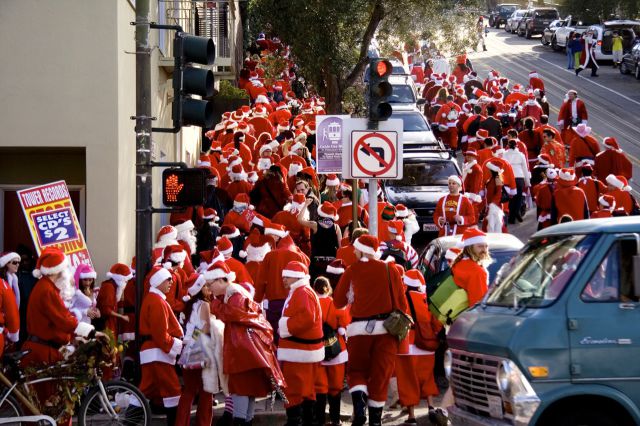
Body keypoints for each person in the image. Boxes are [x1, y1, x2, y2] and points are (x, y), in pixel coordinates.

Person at [334, 235, 408, 426]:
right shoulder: (389, 269)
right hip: (386, 330)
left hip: (359, 330)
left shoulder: (352, 270)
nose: (353, 252)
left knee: (356, 370)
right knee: (380, 375)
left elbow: (338, 301)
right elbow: (402, 304)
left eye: (355, 249)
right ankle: (375, 421)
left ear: (360, 250)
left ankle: (359, 406)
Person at [208, 261, 286, 426]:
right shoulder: (235, 293)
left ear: (221, 280)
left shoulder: (234, 295)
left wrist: (215, 305)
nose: (210, 288)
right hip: (247, 353)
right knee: (247, 393)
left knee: (241, 391)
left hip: (242, 354)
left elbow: (233, 314)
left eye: (211, 283)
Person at [22, 248, 95, 404]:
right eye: (65, 269)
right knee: (50, 401)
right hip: (43, 352)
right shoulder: (47, 290)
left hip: (42, 348)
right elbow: (63, 319)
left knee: (44, 402)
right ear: (58, 271)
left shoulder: (46, 287)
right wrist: (90, 332)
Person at [277, 261, 324, 426]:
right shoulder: (301, 291)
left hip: (299, 352)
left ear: (296, 277)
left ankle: (294, 421)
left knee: (293, 390)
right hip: (303, 351)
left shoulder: (302, 292)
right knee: (306, 390)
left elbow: (306, 318)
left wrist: (285, 327)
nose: (283, 280)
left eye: (287, 277)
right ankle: (305, 421)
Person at [138, 266, 184, 426]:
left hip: (153, 350)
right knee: (172, 390)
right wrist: (175, 346)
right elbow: (160, 334)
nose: (171, 281)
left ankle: (127, 421)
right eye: (167, 279)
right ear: (157, 282)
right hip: (158, 351)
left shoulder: (154, 299)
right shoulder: (157, 301)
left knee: (146, 389)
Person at [395, 270, 442, 424]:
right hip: (426, 344)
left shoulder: (401, 298)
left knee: (408, 380)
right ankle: (431, 407)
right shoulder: (426, 299)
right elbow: (437, 322)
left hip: (406, 346)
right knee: (427, 378)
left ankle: (411, 416)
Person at [176, 275, 214, 426]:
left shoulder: (188, 305)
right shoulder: (204, 305)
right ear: (199, 289)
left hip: (187, 349)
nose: (209, 289)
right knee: (206, 391)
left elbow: (192, 331)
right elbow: (206, 329)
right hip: (201, 348)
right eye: (205, 286)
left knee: (188, 391)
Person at [312, 276, 349, 426]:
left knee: (319, 387)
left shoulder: (312, 303)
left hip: (317, 349)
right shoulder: (336, 304)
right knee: (336, 386)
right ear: (329, 288)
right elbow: (344, 325)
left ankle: (319, 420)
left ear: (314, 288)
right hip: (337, 350)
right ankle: (335, 420)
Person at [298, 200, 342, 279]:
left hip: (317, 262)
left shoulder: (315, 225)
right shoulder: (336, 227)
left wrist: (305, 204)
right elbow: (340, 246)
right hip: (331, 262)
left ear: (321, 213)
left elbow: (299, 219)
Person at [451, 229, 491, 306]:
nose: (485, 250)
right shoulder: (477, 272)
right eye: (480, 246)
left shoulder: (459, 262)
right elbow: (478, 305)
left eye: (486, 246)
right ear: (469, 248)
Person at [503, 139, 530, 224]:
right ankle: (516, 212)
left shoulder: (504, 154)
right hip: (520, 177)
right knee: (519, 197)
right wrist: (527, 181)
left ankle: (511, 217)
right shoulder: (521, 155)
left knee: (511, 198)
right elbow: (525, 169)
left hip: (509, 178)